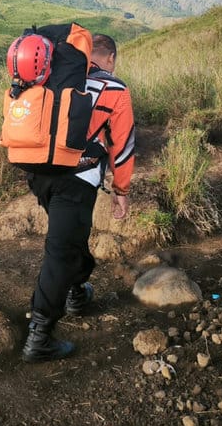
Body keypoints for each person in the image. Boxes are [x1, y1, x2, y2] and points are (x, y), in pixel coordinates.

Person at [22, 32, 136, 363]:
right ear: (111, 58)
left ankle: (75, 290)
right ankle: (39, 336)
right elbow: (123, 145)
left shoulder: (52, 79)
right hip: (76, 181)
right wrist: (122, 190)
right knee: (60, 251)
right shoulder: (115, 89)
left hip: (38, 175)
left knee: (70, 240)